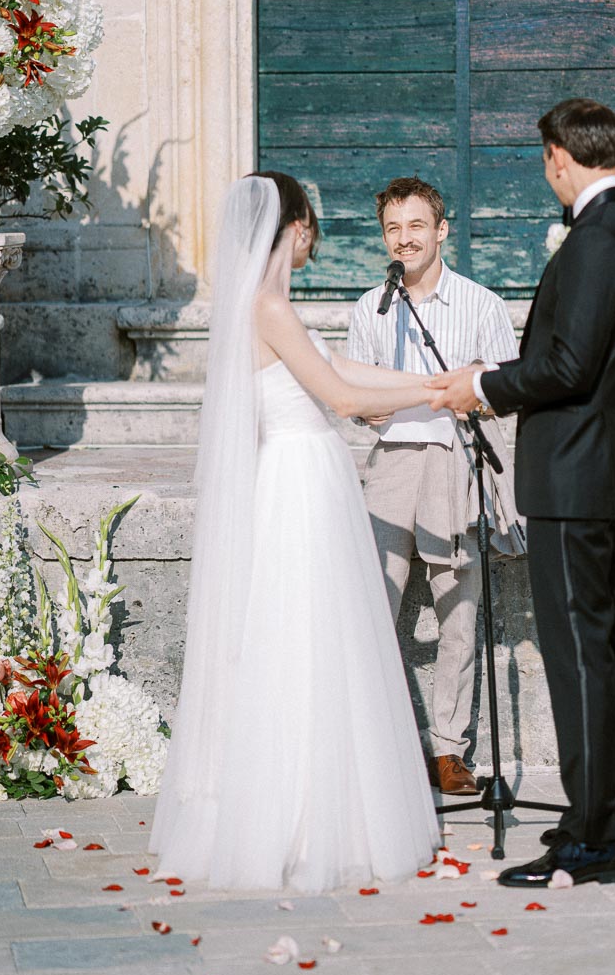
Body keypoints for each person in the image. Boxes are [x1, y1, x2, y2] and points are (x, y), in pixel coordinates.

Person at [150, 172, 440, 892]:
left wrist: (432, 380)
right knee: (311, 642)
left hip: (297, 475)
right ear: (300, 227)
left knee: (301, 638)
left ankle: (304, 808)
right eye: (313, 225)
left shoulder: (264, 306)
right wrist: (441, 390)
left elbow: (339, 366)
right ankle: (309, 820)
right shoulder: (270, 305)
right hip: (301, 479)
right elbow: (340, 395)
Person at [427, 100, 615, 887]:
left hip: (572, 475)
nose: (545, 172)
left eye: (544, 160)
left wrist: (483, 385)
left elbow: (568, 366)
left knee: (578, 660)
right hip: (599, 471)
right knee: (608, 648)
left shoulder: (598, 240)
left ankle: (589, 838)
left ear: (560, 157)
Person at [348, 177, 524, 797]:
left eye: (416, 226)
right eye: (394, 228)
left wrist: (469, 389)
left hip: (456, 462)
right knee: (374, 607)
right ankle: (374, 743)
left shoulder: (481, 304)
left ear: (441, 230)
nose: (405, 239)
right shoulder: (371, 307)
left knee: (459, 610)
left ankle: (451, 750)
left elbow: (505, 393)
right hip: (393, 463)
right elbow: (357, 401)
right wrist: (374, 405)